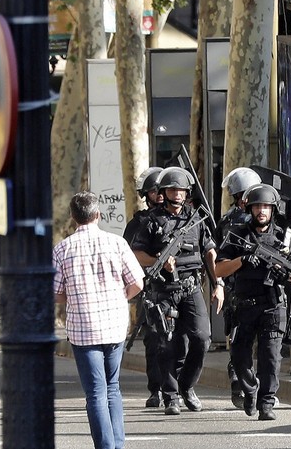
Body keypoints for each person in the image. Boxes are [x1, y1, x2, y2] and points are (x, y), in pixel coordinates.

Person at [53, 191, 144, 449]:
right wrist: (119, 298)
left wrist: (75, 297)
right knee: (113, 387)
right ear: (98, 215)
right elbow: (137, 282)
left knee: (95, 392)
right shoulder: (117, 244)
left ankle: (105, 446)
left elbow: (55, 293)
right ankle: (118, 443)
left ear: (73, 218)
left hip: (84, 329)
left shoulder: (62, 249)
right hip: (115, 326)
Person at [131, 166, 224, 415]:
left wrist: (218, 284)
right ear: (163, 191)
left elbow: (210, 253)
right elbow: (136, 254)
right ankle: (170, 396)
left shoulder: (196, 218)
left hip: (191, 287)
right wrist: (157, 260)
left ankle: (187, 386)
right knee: (165, 344)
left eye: (181, 190)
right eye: (172, 189)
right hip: (163, 290)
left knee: (202, 338)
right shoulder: (150, 222)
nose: (177, 194)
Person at [215, 183, 291, 421]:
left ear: (273, 209)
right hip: (244, 305)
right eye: (257, 206)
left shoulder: (284, 238)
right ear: (250, 208)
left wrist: (286, 273)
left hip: (273, 305)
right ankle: (250, 389)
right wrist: (242, 260)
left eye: (266, 206)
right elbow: (219, 268)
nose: (261, 211)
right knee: (240, 358)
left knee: (270, 358)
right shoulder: (238, 234)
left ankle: (266, 403)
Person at [216, 166, 262, 408]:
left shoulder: (226, 220)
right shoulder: (247, 222)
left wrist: (219, 284)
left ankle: (240, 378)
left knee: (239, 340)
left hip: (235, 289)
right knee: (250, 340)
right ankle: (244, 381)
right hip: (246, 288)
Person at [124, 167, 164, 408]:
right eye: (154, 191)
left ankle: (180, 386)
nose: (159, 195)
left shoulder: (184, 217)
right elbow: (129, 255)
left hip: (180, 286)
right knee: (154, 340)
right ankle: (156, 389)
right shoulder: (139, 222)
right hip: (151, 287)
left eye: (163, 190)